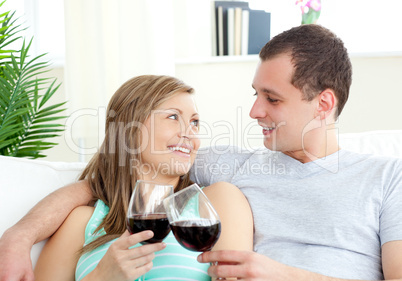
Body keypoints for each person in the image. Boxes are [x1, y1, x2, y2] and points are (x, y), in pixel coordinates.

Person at [1, 24, 402, 280]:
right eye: (255, 94)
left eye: (272, 99)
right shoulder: (228, 169)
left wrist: (282, 274)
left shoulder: (387, 177)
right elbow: (116, 176)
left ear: (324, 103)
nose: (253, 111)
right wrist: (17, 237)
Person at [10, 75, 254, 281]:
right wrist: (101, 277)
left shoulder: (215, 202)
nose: (189, 133)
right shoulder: (83, 220)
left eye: (195, 122)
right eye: (173, 117)